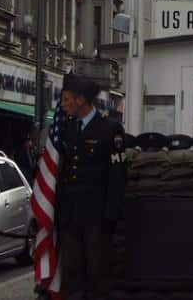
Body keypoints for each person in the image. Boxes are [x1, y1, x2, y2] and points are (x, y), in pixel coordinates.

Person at [56, 73, 127, 300]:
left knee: (97, 274)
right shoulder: (65, 129)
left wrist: (110, 217)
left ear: (80, 100)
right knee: (72, 273)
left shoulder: (110, 129)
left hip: (97, 218)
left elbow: (117, 176)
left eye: (67, 99)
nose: (63, 104)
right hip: (69, 216)